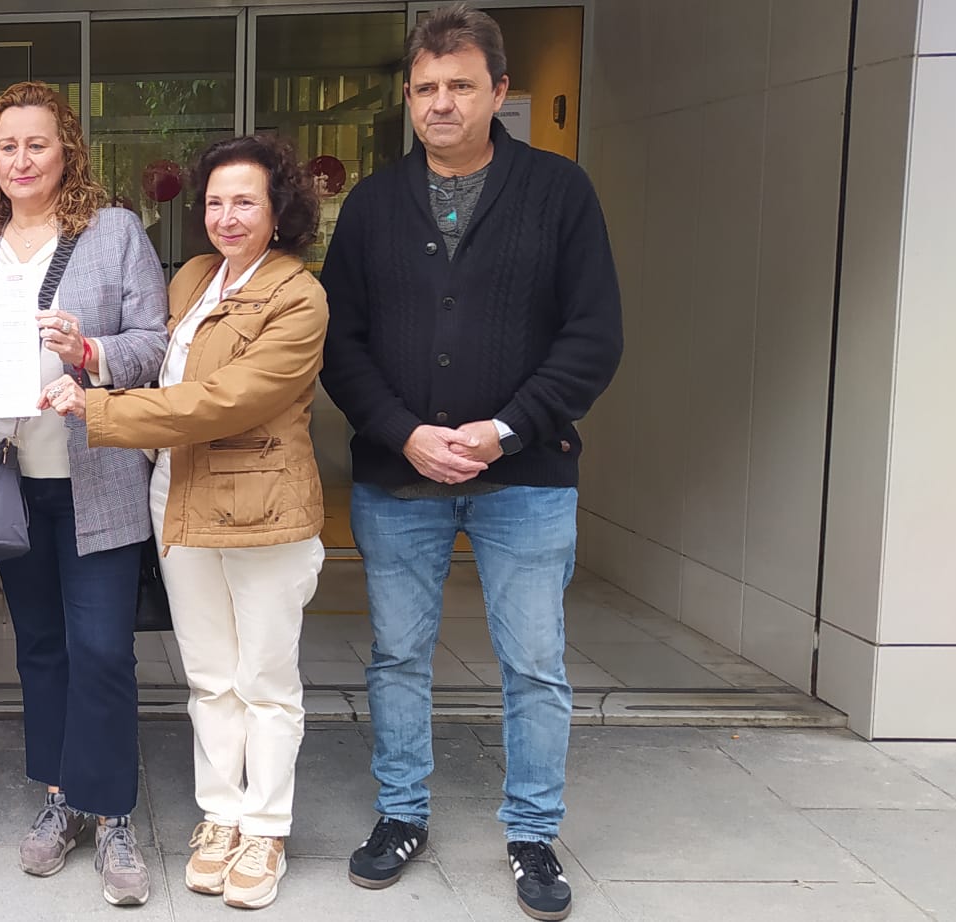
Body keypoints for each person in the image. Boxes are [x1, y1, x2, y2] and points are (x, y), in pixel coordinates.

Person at [317, 6, 623, 920]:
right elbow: (341, 342)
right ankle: (401, 815)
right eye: (425, 88)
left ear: (498, 92)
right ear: (406, 99)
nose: (441, 103)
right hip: (397, 472)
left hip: (524, 477)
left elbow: (593, 338)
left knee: (533, 662)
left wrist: (504, 429)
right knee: (399, 655)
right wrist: (404, 430)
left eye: (460, 86)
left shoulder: (561, 194)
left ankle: (532, 832)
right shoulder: (372, 204)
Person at [42, 132, 330, 911]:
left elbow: (222, 402)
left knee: (265, 680)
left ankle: (265, 828)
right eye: (215, 202)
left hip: (266, 513)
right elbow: (162, 359)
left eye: (246, 202)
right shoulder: (197, 277)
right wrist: (92, 353)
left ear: (279, 210)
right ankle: (220, 817)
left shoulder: (298, 296)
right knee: (208, 679)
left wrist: (99, 410)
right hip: (181, 500)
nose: (227, 217)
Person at [0, 80, 167, 906]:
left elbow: (153, 346)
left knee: (103, 649)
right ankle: (61, 798)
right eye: (8, 146)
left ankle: (114, 809)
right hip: (11, 481)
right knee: (41, 647)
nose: (22, 160)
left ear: (68, 151)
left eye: (38, 144)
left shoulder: (114, 232)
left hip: (97, 477)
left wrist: (89, 352)